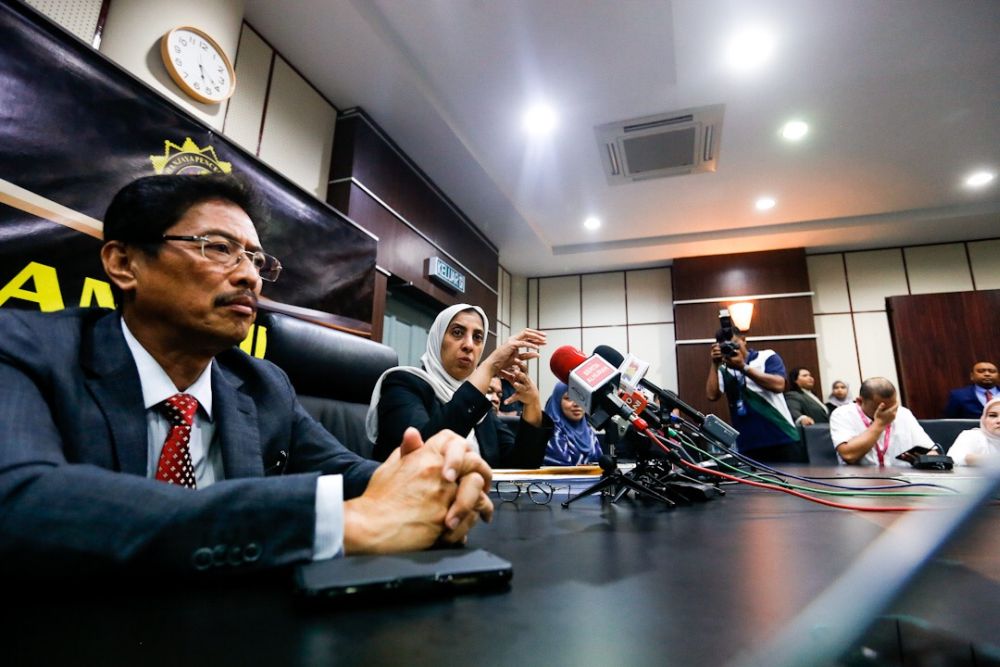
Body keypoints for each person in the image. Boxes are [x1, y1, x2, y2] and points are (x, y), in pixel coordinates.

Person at [0, 174, 492, 576]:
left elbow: (346, 474)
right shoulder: (26, 348)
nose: (250, 276)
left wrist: (433, 479)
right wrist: (343, 526)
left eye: (256, 260)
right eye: (218, 248)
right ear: (124, 263)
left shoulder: (263, 385)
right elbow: (19, 502)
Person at [367, 303, 552, 468]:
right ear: (437, 339)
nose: (469, 345)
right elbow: (423, 456)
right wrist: (490, 366)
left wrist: (532, 403)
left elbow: (521, 465)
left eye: (478, 337)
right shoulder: (403, 384)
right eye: (457, 332)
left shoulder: (480, 407)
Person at [706, 329, 803, 462]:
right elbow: (712, 395)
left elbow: (779, 385)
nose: (731, 348)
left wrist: (743, 367)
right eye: (725, 346)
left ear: (744, 340)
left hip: (782, 436)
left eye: (734, 343)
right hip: (747, 443)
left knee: (791, 475)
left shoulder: (766, 356)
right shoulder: (724, 369)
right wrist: (714, 364)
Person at [829, 377, 936, 466]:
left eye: (893, 406)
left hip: (902, 479)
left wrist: (930, 458)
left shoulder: (903, 413)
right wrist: (880, 423)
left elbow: (929, 450)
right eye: (881, 408)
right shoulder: (842, 414)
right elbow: (848, 455)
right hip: (861, 480)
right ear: (860, 402)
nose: (889, 412)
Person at [543, 381, 603, 465]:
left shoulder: (588, 432)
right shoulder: (551, 433)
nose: (576, 404)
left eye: (581, 398)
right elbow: (561, 468)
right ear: (557, 402)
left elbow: (600, 463)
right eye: (569, 398)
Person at [947, 398, 1000, 466]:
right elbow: (953, 459)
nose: (999, 420)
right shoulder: (971, 435)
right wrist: (992, 460)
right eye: (993, 415)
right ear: (983, 419)